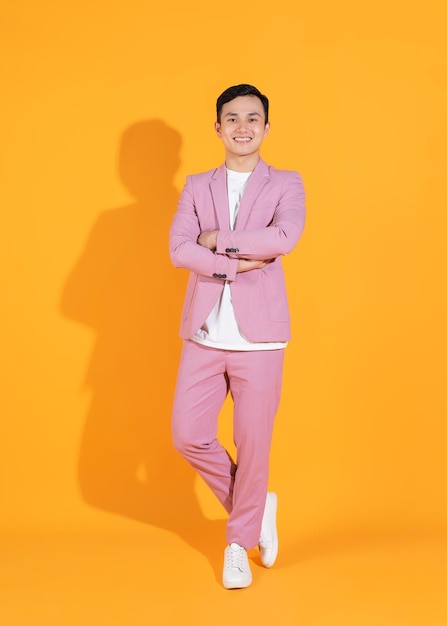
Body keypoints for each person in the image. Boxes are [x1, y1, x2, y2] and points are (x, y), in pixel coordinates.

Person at [169, 84, 306, 589]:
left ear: (266, 128)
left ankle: (236, 545)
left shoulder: (286, 183)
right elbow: (179, 249)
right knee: (188, 434)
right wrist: (233, 267)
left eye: (253, 118)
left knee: (253, 445)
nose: (242, 126)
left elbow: (284, 237)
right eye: (232, 118)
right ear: (218, 128)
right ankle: (254, 507)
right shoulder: (196, 186)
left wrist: (218, 241)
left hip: (262, 339)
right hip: (205, 333)